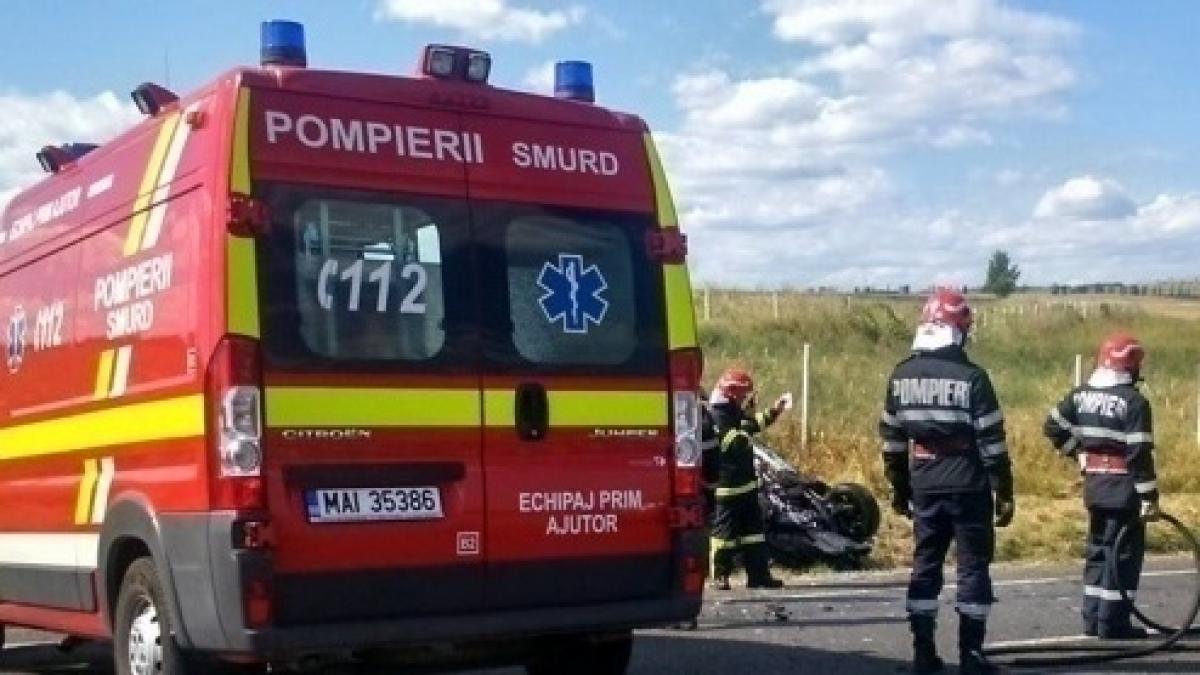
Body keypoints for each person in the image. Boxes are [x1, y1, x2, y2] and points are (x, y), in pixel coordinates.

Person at [879, 288, 1014, 675]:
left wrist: (900, 488)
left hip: (924, 483)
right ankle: (971, 656)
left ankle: (924, 653)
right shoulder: (973, 377)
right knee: (972, 567)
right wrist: (1003, 490)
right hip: (969, 485)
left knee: (925, 565)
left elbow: (891, 441)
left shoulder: (900, 375)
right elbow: (992, 442)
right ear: (959, 330)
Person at [1043, 332, 1158, 640]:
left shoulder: (1081, 394)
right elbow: (1138, 454)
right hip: (1124, 490)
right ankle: (1113, 623)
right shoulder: (1134, 402)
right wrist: (1149, 496)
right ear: (1130, 366)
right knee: (1122, 555)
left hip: (1095, 486)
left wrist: (1078, 453)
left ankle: (1092, 618)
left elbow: (1052, 425)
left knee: (1098, 551)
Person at [708, 366, 789, 590]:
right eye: (744, 395)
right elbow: (732, 442)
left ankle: (758, 575)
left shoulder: (732, 412)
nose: (746, 399)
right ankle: (720, 576)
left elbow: (750, 425)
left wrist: (774, 412)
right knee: (724, 536)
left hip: (747, 486)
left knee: (753, 535)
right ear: (733, 393)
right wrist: (747, 426)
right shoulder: (718, 414)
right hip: (728, 488)